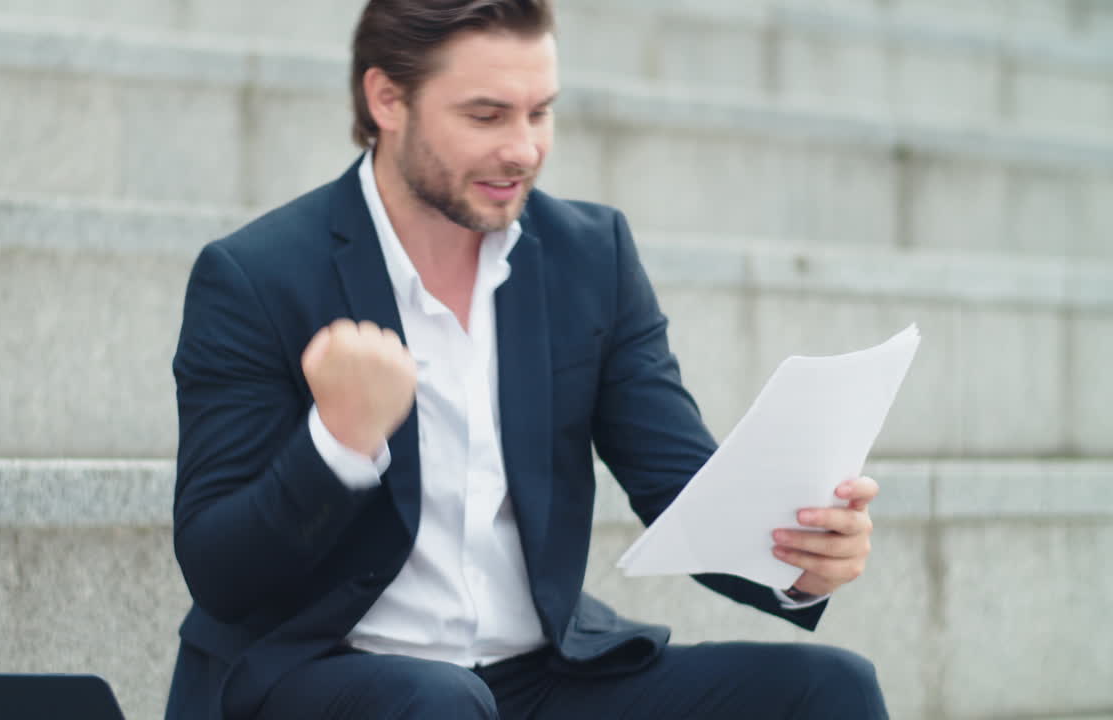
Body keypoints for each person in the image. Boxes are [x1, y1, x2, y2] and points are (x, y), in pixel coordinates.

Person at [166, 1, 889, 718]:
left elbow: (678, 486)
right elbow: (221, 574)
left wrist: (800, 560)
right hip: (330, 676)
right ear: (387, 98)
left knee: (830, 689)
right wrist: (339, 444)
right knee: (438, 702)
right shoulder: (257, 277)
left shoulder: (590, 257)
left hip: (540, 678)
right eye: (487, 116)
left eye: (539, 112)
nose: (524, 149)